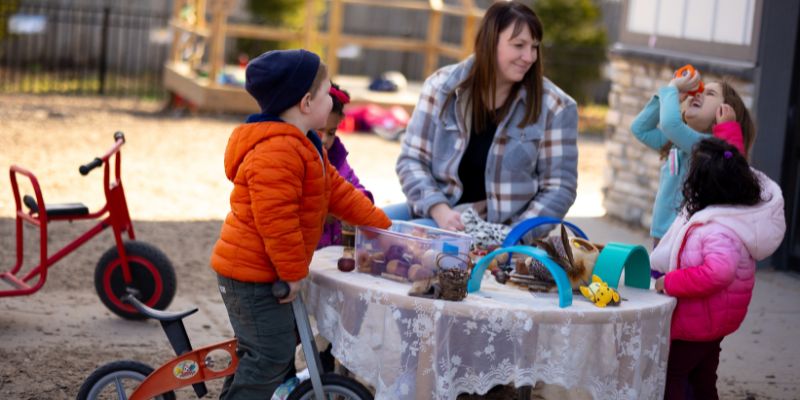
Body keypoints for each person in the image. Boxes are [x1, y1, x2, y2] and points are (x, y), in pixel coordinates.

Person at [210, 49, 391, 400]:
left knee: (265, 352)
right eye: (326, 93)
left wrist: (383, 227)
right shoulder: (277, 151)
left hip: (263, 273)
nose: (332, 100)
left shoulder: (306, 145)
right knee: (271, 355)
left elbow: (340, 193)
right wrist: (293, 272)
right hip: (250, 277)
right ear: (307, 103)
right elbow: (276, 221)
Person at [388, 1, 578, 237]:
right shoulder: (440, 86)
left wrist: (513, 237)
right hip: (436, 211)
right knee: (369, 225)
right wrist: (440, 210)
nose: (529, 57)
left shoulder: (556, 107)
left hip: (498, 230)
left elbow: (559, 188)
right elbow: (411, 160)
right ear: (490, 42)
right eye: (519, 45)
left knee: (397, 239)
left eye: (534, 47)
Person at [651, 138, 785, 400]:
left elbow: (719, 272)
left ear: (701, 187)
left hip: (697, 323)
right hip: (714, 321)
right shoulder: (736, 217)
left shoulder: (717, 229)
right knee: (703, 377)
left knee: (672, 375)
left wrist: (670, 282)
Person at [631, 73, 756, 246]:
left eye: (710, 93)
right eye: (700, 91)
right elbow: (640, 129)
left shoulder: (710, 147)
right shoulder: (676, 144)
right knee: (660, 275)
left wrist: (672, 89)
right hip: (661, 235)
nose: (697, 94)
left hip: (687, 240)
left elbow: (670, 124)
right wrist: (664, 97)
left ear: (724, 111)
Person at [317, 82, 375, 248]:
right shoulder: (296, 161)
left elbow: (357, 189)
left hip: (335, 252)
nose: (325, 140)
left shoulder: (338, 159)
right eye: (319, 131)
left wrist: (354, 204)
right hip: (307, 256)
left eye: (331, 132)